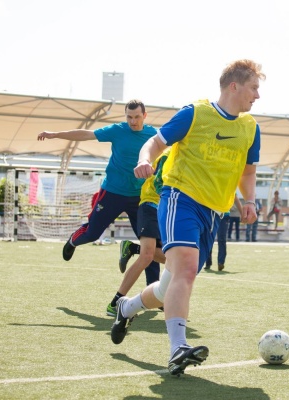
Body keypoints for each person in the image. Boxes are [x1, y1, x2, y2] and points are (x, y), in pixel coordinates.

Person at [113, 59, 264, 376]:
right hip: (180, 199)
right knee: (186, 269)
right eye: (254, 88)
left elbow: (248, 171)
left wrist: (249, 200)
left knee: (167, 287)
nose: (258, 95)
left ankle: (126, 308)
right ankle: (177, 348)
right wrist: (144, 159)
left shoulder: (251, 128)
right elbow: (156, 142)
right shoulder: (195, 113)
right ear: (234, 86)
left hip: (214, 212)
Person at [37, 99, 159, 286]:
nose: (133, 121)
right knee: (92, 234)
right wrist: (55, 134)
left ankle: (154, 292)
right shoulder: (117, 130)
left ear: (145, 116)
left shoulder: (154, 135)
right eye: (129, 117)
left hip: (139, 197)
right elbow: (87, 134)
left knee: (151, 244)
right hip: (112, 193)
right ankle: (73, 241)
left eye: (137, 117)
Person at [106, 149, 170, 317]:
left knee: (172, 260)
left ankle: (133, 248)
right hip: (151, 205)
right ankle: (115, 303)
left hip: (166, 211)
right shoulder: (169, 155)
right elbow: (159, 184)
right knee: (147, 256)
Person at [207, 196, 243, 271]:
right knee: (209, 238)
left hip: (224, 215)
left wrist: (242, 214)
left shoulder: (229, 189)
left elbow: (236, 199)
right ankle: (208, 262)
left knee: (222, 239)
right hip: (211, 213)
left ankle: (221, 262)